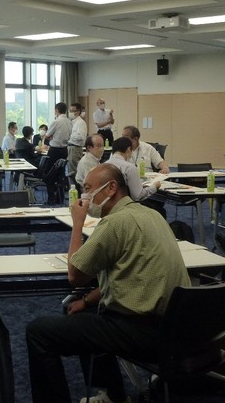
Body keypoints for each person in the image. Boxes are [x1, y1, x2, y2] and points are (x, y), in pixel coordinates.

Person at [26, 164, 190, 403]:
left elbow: (75, 275)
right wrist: (86, 300)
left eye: (88, 189)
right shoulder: (152, 215)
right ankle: (112, 395)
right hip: (176, 327)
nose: (85, 196)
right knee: (85, 311)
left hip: (143, 332)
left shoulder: (114, 223)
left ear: (111, 188)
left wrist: (78, 223)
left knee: (38, 332)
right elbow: (129, 278)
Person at [108, 137, 160, 201]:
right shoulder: (129, 168)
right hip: (124, 203)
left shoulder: (103, 165)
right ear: (128, 150)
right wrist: (155, 186)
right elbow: (138, 197)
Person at [67, 103, 87, 180]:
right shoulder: (73, 122)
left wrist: (69, 136)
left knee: (74, 171)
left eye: (73, 111)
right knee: (70, 170)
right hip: (71, 147)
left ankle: (76, 186)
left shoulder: (80, 123)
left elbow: (81, 137)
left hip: (75, 148)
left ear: (78, 111)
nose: (71, 113)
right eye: (70, 111)